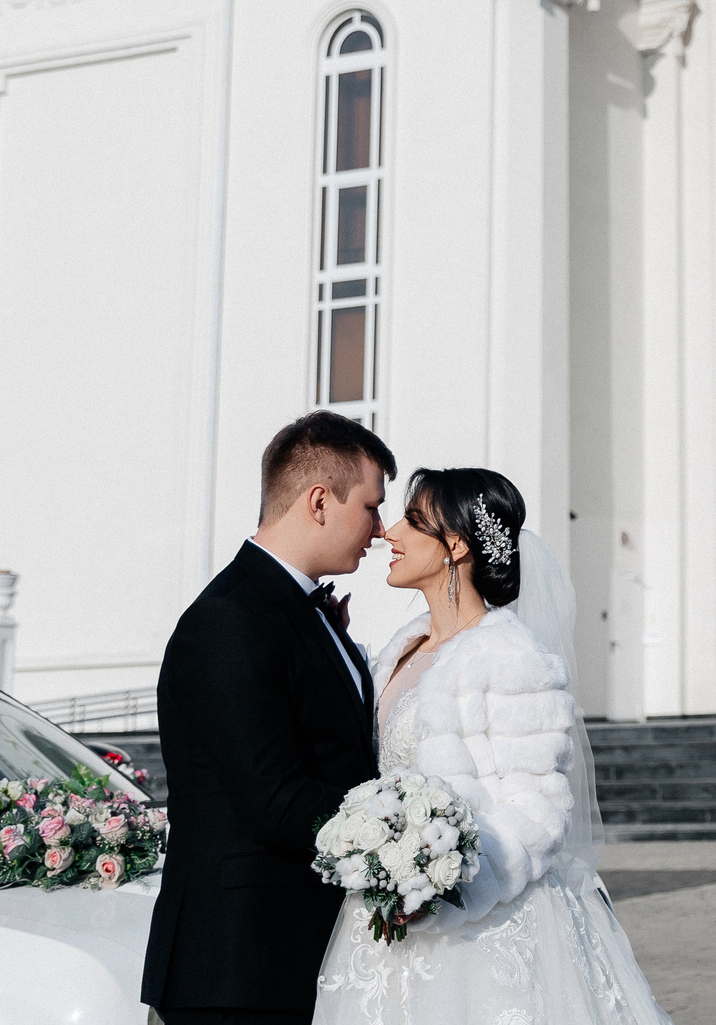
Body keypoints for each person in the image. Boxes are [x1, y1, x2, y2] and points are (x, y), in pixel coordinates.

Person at [315, 467, 672, 1025]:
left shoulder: (509, 658)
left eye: (412, 521)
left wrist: (440, 887)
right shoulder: (399, 648)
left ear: (455, 545)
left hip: (484, 925)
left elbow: (537, 811)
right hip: (388, 923)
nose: (390, 533)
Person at [144, 411, 394, 1025]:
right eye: (370, 506)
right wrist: (402, 834)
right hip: (236, 966)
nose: (381, 528)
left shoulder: (298, 611)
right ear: (318, 502)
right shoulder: (231, 619)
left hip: (286, 954)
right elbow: (274, 798)